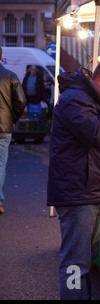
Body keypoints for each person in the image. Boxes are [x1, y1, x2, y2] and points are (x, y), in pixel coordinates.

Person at [47, 56, 100, 299]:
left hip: (87, 191)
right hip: (77, 194)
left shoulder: (90, 98)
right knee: (75, 264)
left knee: (84, 259)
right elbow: (95, 133)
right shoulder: (74, 99)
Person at [0, 47, 26, 214]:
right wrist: (12, 119)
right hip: (4, 127)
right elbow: (21, 102)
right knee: (1, 163)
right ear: (1, 57)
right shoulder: (10, 76)